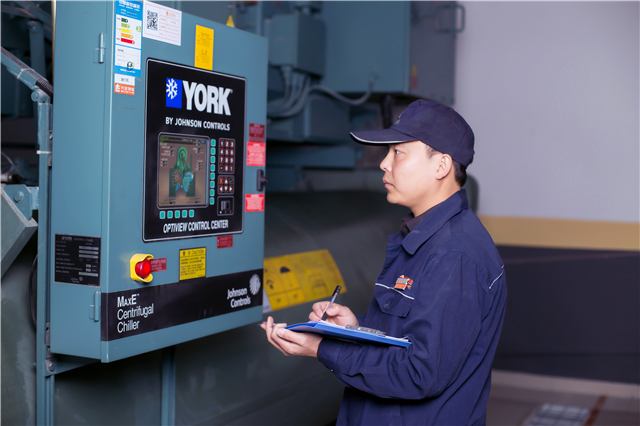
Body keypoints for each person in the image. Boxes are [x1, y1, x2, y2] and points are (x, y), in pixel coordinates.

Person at [261, 100, 507, 426]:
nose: (384, 164)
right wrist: (353, 328)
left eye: (398, 153)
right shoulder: (426, 238)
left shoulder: (454, 255)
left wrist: (322, 349)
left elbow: (420, 371)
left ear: (441, 166)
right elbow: (409, 333)